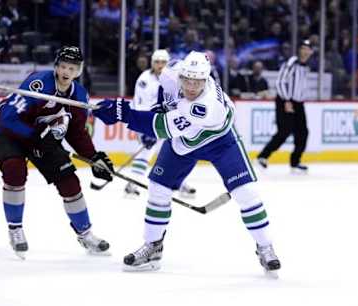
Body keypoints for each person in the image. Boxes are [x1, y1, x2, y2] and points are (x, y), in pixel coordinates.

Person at [93, 51, 281, 275]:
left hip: (221, 142)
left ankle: (265, 247)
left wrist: (120, 112)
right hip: (184, 142)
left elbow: (162, 127)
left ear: (206, 80)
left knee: (246, 192)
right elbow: (165, 95)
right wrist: (161, 108)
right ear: (180, 75)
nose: (192, 87)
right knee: (158, 189)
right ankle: (153, 247)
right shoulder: (170, 72)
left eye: (198, 82)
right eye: (188, 81)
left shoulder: (205, 106)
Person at [0, 46, 114, 259]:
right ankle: (15, 229)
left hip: (41, 137)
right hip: (10, 133)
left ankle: (85, 233)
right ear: (56, 66)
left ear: (78, 71)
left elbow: (76, 133)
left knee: (69, 180)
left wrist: (93, 157)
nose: (66, 71)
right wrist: (35, 138)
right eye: (63, 66)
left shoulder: (79, 95)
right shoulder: (38, 83)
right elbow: (6, 118)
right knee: (14, 171)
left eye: (72, 68)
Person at [124, 49, 196, 198]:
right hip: (150, 120)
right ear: (152, 63)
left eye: (163, 62)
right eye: (157, 62)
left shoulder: (174, 78)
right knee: (146, 151)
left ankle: (180, 183)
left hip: (170, 121)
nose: (160, 65)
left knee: (178, 152)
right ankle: (132, 183)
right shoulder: (144, 79)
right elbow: (140, 104)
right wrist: (148, 127)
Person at [256, 40, 314, 173]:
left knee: (303, 133)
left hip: (298, 103)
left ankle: (295, 162)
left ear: (311, 52)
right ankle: (262, 157)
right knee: (285, 130)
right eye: (303, 48)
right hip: (285, 100)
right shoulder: (291, 62)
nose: (305, 51)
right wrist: (287, 100)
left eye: (307, 49)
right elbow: (281, 81)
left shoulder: (306, 66)